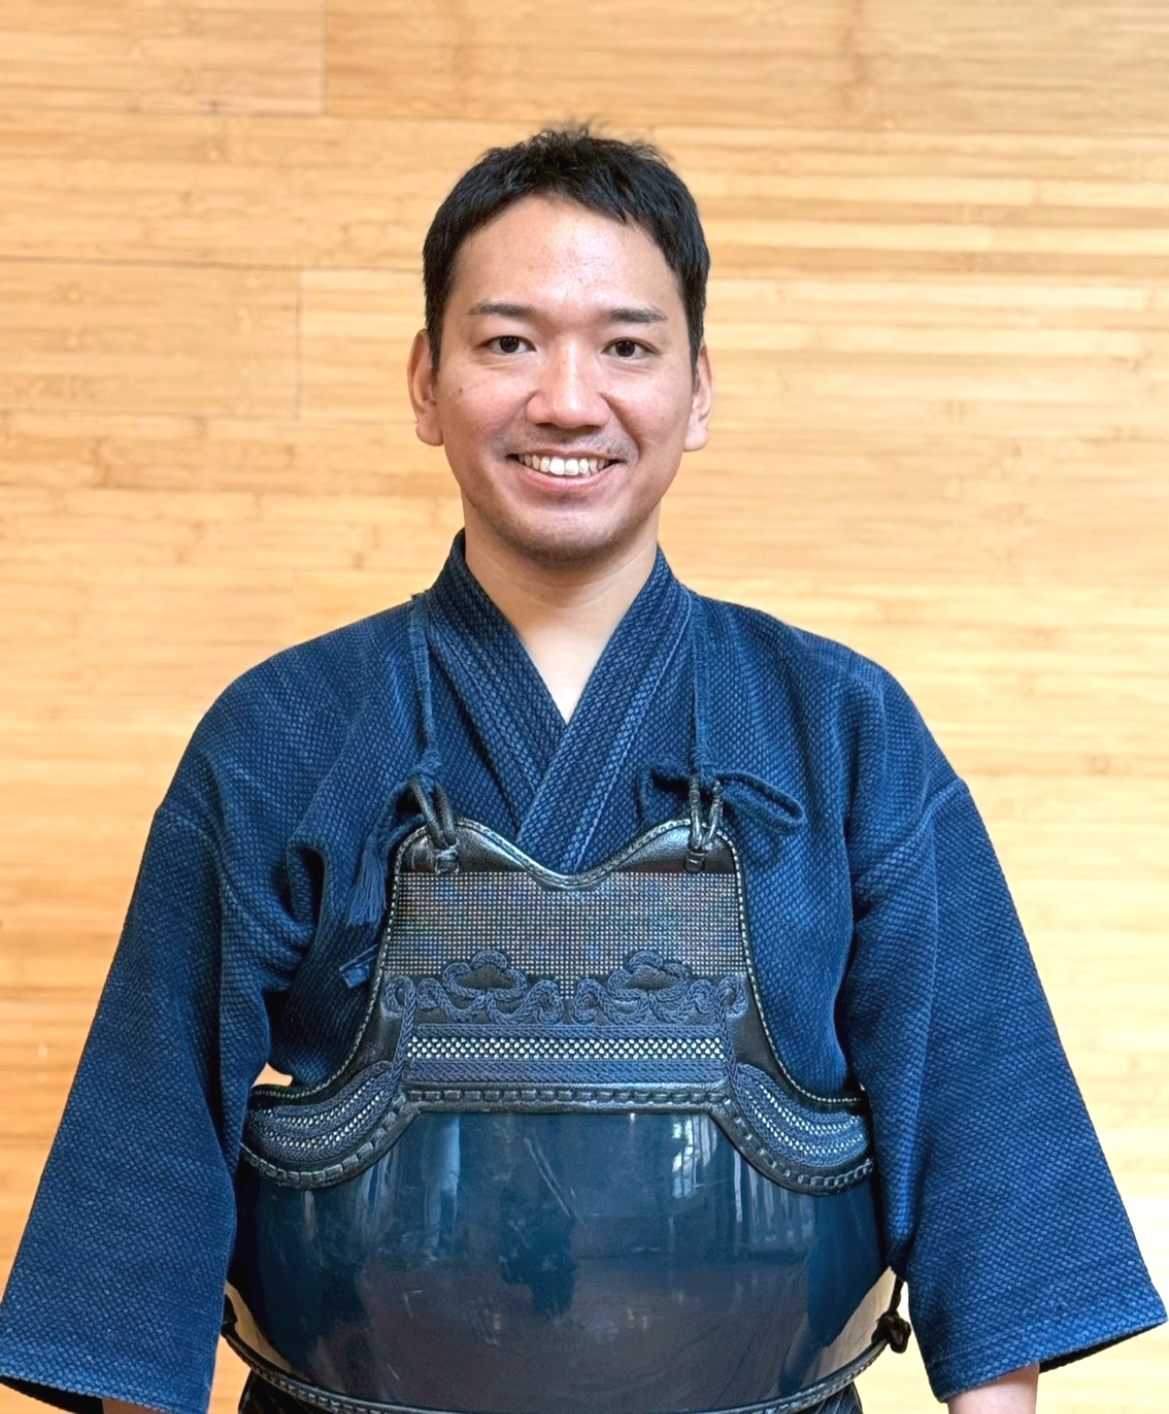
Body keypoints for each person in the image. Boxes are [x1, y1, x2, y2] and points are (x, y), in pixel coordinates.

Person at [0, 128, 1162, 1414]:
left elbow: (981, 1144)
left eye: (624, 345)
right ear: (425, 381)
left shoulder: (839, 728)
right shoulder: (282, 734)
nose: (566, 398)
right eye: (508, 342)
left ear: (697, 389)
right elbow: (147, 1166)